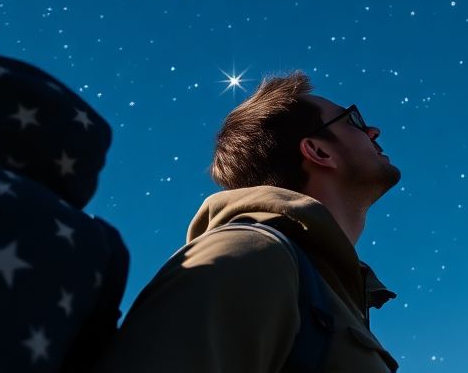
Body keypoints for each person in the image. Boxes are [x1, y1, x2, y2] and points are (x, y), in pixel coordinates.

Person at [96, 72, 402, 373]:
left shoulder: (317, 284)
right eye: (352, 120)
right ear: (318, 151)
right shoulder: (250, 255)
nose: (373, 130)